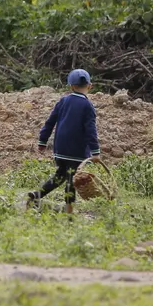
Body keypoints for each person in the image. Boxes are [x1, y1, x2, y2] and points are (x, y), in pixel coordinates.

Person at [28, 68, 101, 215]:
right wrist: (95, 152)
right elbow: (90, 130)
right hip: (77, 151)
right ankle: (69, 212)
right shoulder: (88, 106)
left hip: (60, 150)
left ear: (71, 86)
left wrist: (42, 141)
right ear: (90, 86)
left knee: (60, 175)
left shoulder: (63, 101)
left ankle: (36, 195)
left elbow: (50, 122)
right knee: (71, 180)